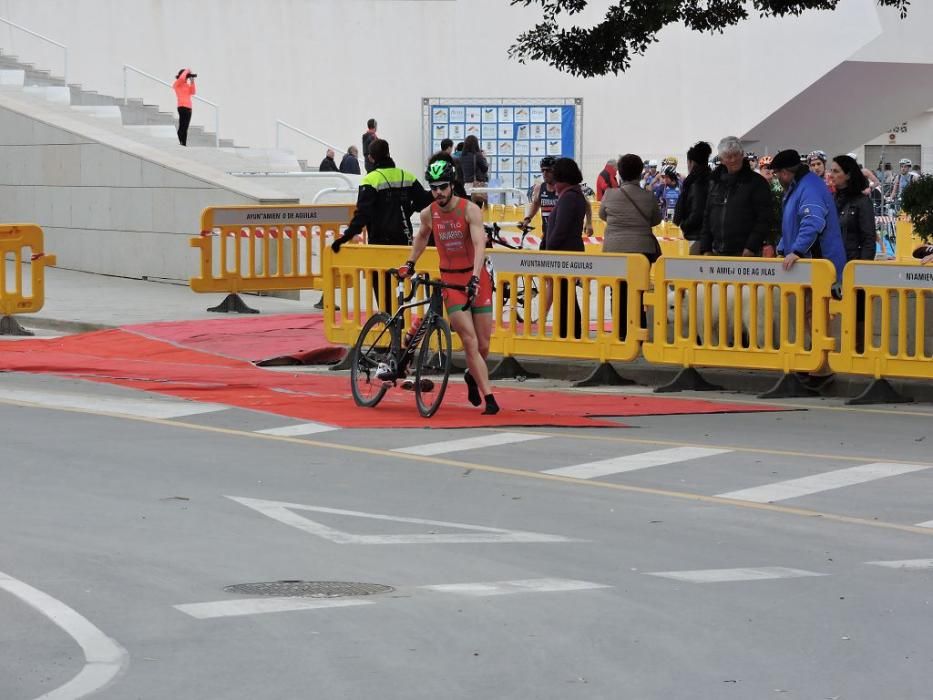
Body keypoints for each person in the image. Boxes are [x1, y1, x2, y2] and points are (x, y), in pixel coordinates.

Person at [397, 160, 499, 415]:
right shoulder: (428, 213)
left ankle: (471, 375)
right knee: (470, 341)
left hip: (476, 280)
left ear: (452, 185)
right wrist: (410, 263)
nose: (438, 192)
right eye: (434, 188)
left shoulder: (470, 210)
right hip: (451, 282)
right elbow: (421, 237)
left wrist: (476, 277)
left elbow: (479, 245)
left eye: (442, 187)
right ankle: (490, 398)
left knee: (484, 345)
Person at [330, 139, 432, 309]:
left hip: (380, 242)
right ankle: (401, 321)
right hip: (403, 240)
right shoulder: (406, 175)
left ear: (371, 158)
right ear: (388, 153)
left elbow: (363, 213)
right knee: (400, 283)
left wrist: (346, 236)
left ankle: (388, 321)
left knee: (382, 286)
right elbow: (423, 201)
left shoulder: (370, 180)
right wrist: (407, 211)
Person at [600, 153, 662, 338]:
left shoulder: (609, 195)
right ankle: (639, 330)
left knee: (617, 290)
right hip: (641, 251)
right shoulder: (648, 196)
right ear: (640, 172)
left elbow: (603, 216)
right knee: (639, 291)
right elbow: (656, 220)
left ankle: (620, 332)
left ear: (619, 173)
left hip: (614, 250)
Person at [831, 154, 876, 353]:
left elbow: (869, 239)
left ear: (848, 175)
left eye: (836, 171)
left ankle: (858, 351)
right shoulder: (832, 199)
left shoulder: (862, 202)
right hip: (832, 266)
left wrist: (862, 268)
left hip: (853, 264)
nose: (831, 175)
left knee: (857, 312)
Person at [699, 136, 772, 257]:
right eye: (728, 156)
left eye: (736, 155)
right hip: (716, 252)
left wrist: (751, 247)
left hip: (746, 253)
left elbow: (764, 218)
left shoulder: (757, 182)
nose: (733, 159)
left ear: (742, 155)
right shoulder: (714, 182)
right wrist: (705, 248)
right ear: (722, 160)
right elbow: (707, 216)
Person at [544, 157, 587, 339]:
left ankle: (567, 333)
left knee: (565, 296)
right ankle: (570, 332)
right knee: (567, 295)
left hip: (564, 254)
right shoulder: (574, 195)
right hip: (570, 251)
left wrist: (548, 249)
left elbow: (560, 230)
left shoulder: (569, 198)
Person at [522, 156, 594, 243]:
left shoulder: (566, 189)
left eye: (548, 170)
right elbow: (536, 204)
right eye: (542, 170)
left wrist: (589, 223)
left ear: (556, 171)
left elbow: (586, 204)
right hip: (547, 235)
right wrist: (528, 218)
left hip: (565, 237)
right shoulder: (540, 188)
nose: (545, 173)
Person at [673, 141, 712, 255]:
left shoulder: (696, 183)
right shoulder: (711, 178)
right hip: (707, 236)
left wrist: (684, 224)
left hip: (698, 237)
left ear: (691, 162)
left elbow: (697, 212)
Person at [757, 155, 783, 257]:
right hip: (763, 229)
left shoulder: (780, 185)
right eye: (765, 167)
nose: (768, 170)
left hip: (778, 227)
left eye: (770, 167)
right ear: (760, 170)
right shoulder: (756, 185)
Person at [459, 135, 489, 208]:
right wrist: (484, 157)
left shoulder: (462, 156)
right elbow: (485, 168)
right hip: (477, 186)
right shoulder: (478, 155)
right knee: (477, 209)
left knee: (468, 209)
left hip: (466, 186)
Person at [172, 68, 196, 146]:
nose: (186, 77)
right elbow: (182, 78)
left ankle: (183, 144)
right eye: (186, 76)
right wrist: (187, 70)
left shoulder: (187, 85)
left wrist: (192, 81)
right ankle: (180, 142)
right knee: (182, 126)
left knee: (185, 127)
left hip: (189, 108)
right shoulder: (177, 84)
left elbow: (193, 92)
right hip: (182, 107)